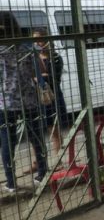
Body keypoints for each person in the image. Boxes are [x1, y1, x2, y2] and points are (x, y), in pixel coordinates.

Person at [0, 14, 47, 195]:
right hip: (29, 100)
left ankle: (11, 183)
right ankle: (42, 173)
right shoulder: (27, 47)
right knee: (36, 137)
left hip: (6, 102)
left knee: (7, 141)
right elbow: (41, 70)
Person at [32, 28, 68, 156]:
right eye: (34, 40)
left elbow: (54, 78)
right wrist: (40, 76)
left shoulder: (55, 57)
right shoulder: (33, 58)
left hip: (53, 96)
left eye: (39, 40)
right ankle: (41, 159)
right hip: (39, 97)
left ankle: (58, 155)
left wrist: (39, 77)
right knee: (42, 128)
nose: (37, 43)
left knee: (54, 127)